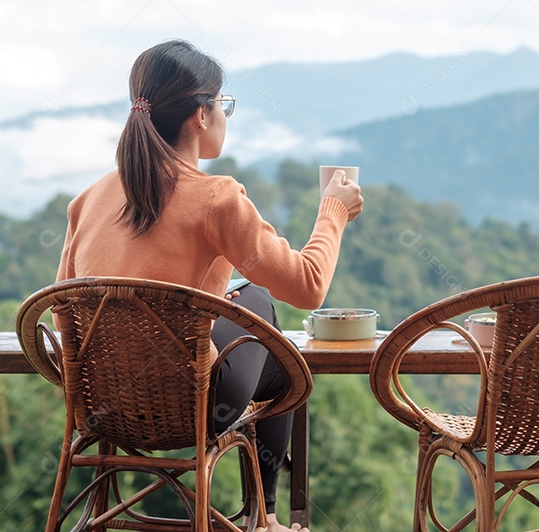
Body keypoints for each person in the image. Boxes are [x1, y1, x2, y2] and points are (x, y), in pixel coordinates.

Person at [55, 39, 363, 532]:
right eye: (223, 104)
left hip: (101, 407)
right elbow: (307, 287)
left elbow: (64, 311)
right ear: (200, 115)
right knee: (261, 308)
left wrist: (212, 304)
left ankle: (262, 517)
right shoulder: (217, 198)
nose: (223, 115)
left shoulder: (87, 200)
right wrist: (334, 211)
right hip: (190, 407)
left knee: (241, 302)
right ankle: (264, 519)